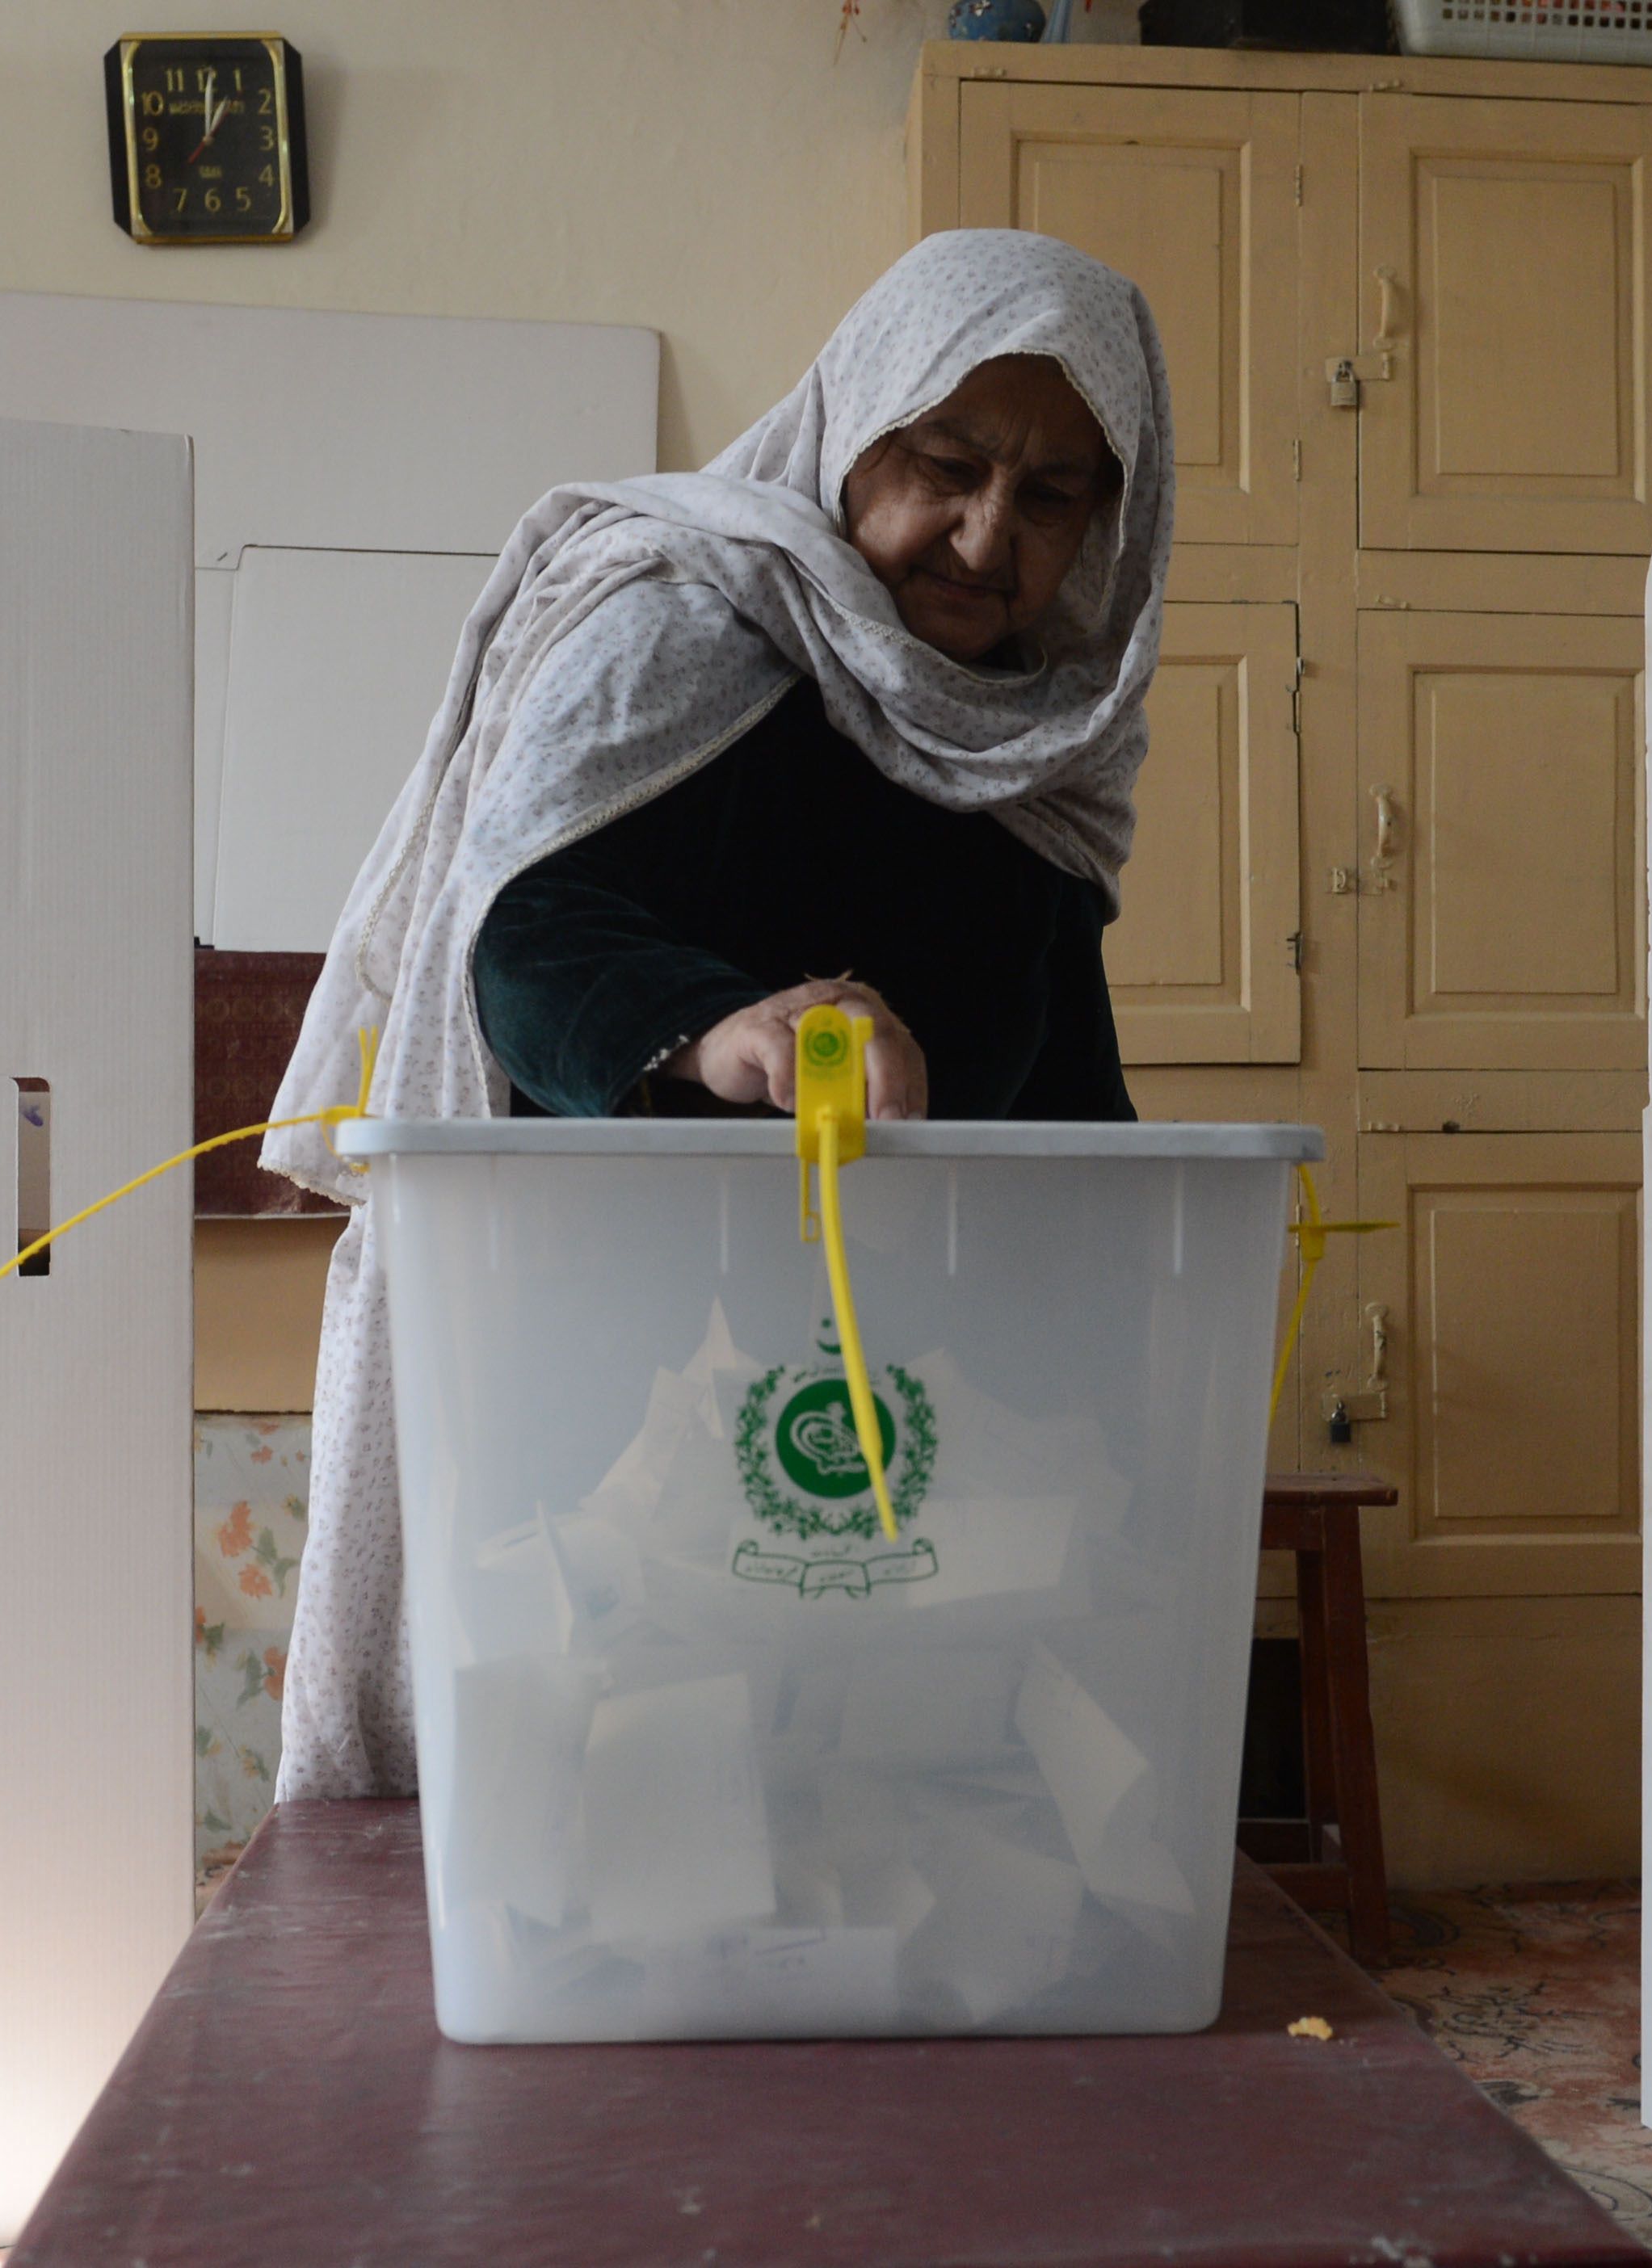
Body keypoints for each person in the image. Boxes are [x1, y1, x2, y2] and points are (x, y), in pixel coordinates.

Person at [258, 230, 1176, 1796]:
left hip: (907, 1414)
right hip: (612, 1380)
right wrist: (720, 1029)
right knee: (614, 1832)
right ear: (851, 424)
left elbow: (1062, 1084)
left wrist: (1131, 1298)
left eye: (1052, 495)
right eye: (943, 462)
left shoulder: (1037, 748)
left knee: (876, 1851)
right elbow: (523, 938)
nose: (982, 533)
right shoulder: (676, 620)